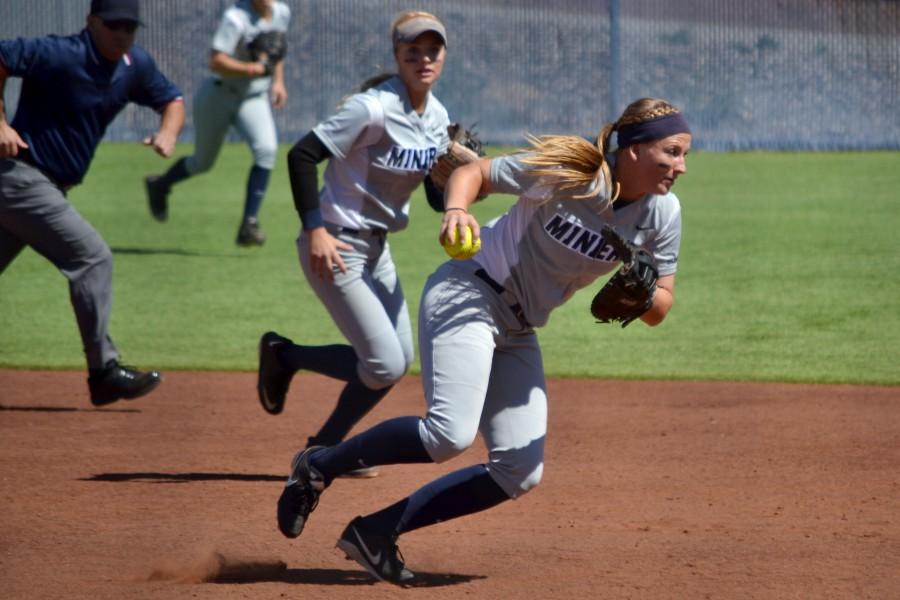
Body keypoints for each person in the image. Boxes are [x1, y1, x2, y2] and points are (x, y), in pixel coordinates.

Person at [273, 97, 692, 585]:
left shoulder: (662, 214)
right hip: (469, 291)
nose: (681, 166)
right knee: (448, 434)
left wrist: (642, 293)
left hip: (519, 327)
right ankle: (318, 465)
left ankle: (378, 531)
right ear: (635, 150)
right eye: (672, 152)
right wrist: (456, 210)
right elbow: (474, 175)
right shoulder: (570, 170)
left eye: (685, 154)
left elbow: (661, 304)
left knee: (519, 469)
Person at [255, 12, 452, 477]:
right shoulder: (371, 108)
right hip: (335, 242)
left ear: (443, 55)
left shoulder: (438, 116)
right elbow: (302, 154)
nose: (423, 58)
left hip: (378, 248)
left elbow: (433, 196)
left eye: (432, 50)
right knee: (382, 363)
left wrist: (455, 177)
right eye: (413, 51)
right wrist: (315, 228)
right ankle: (284, 358)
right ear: (397, 56)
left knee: (397, 360)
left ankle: (321, 449)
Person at [0, 0, 184, 406]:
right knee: (93, 257)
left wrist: (168, 133)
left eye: (130, 28)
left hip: (37, 187)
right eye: (115, 25)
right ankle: (103, 371)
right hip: (21, 178)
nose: (123, 34)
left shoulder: (133, 65)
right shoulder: (61, 52)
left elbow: (171, 100)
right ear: (92, 23)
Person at [144, 0, 291, 246]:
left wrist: (278, 81)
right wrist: (253, 69)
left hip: (253, 98)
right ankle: (160, 185)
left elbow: (277, 52)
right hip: (219, 94)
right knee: (202, 162)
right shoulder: (236, 17)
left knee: (266, 151)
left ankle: (249, 224)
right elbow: (216, 60)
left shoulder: (282, 12)